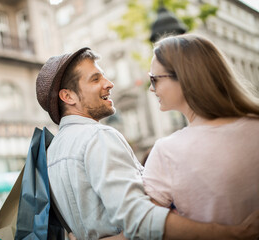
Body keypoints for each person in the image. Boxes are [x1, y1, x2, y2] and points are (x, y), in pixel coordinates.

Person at [35, 47, 259, 239]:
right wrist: (232, 233)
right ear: (68, 97)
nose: (109, 83)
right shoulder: (98, 136)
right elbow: (139, 220)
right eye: (95, 79)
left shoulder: (51, 151)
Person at [142, 34, 259, 225]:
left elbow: (144, 226)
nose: (151, 89)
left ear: (183, 76)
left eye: (154, 79)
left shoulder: (168, 151)